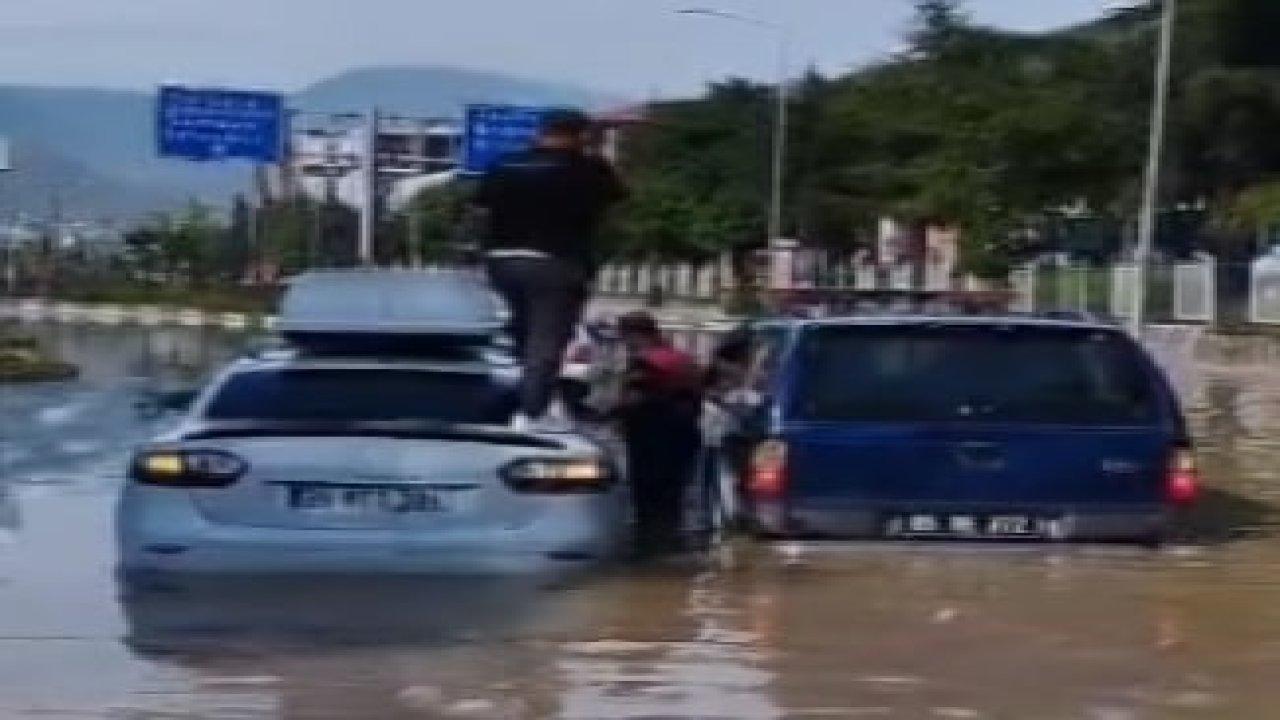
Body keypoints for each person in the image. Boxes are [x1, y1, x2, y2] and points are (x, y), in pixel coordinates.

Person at [474, 109, 627, 431]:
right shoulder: (586, 170)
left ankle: (498, 396)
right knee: (545, 344)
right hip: (555, 263)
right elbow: (615, 197)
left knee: (514, 334)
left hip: (502, 260)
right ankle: (530, 414)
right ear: (580, 135)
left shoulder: (505, 165)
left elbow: (480, 208)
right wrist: (597, 151)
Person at [613, 311, 703, 555]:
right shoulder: (684, 360)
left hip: (651, 442)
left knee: (649, 506)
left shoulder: (645, 362)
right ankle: (671, 547)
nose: (625, 345)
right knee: (673, 503)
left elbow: (632, 401)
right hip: (684, 440)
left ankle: (651, 554)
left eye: (625, 338)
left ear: (635, 335)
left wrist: (613, 411)